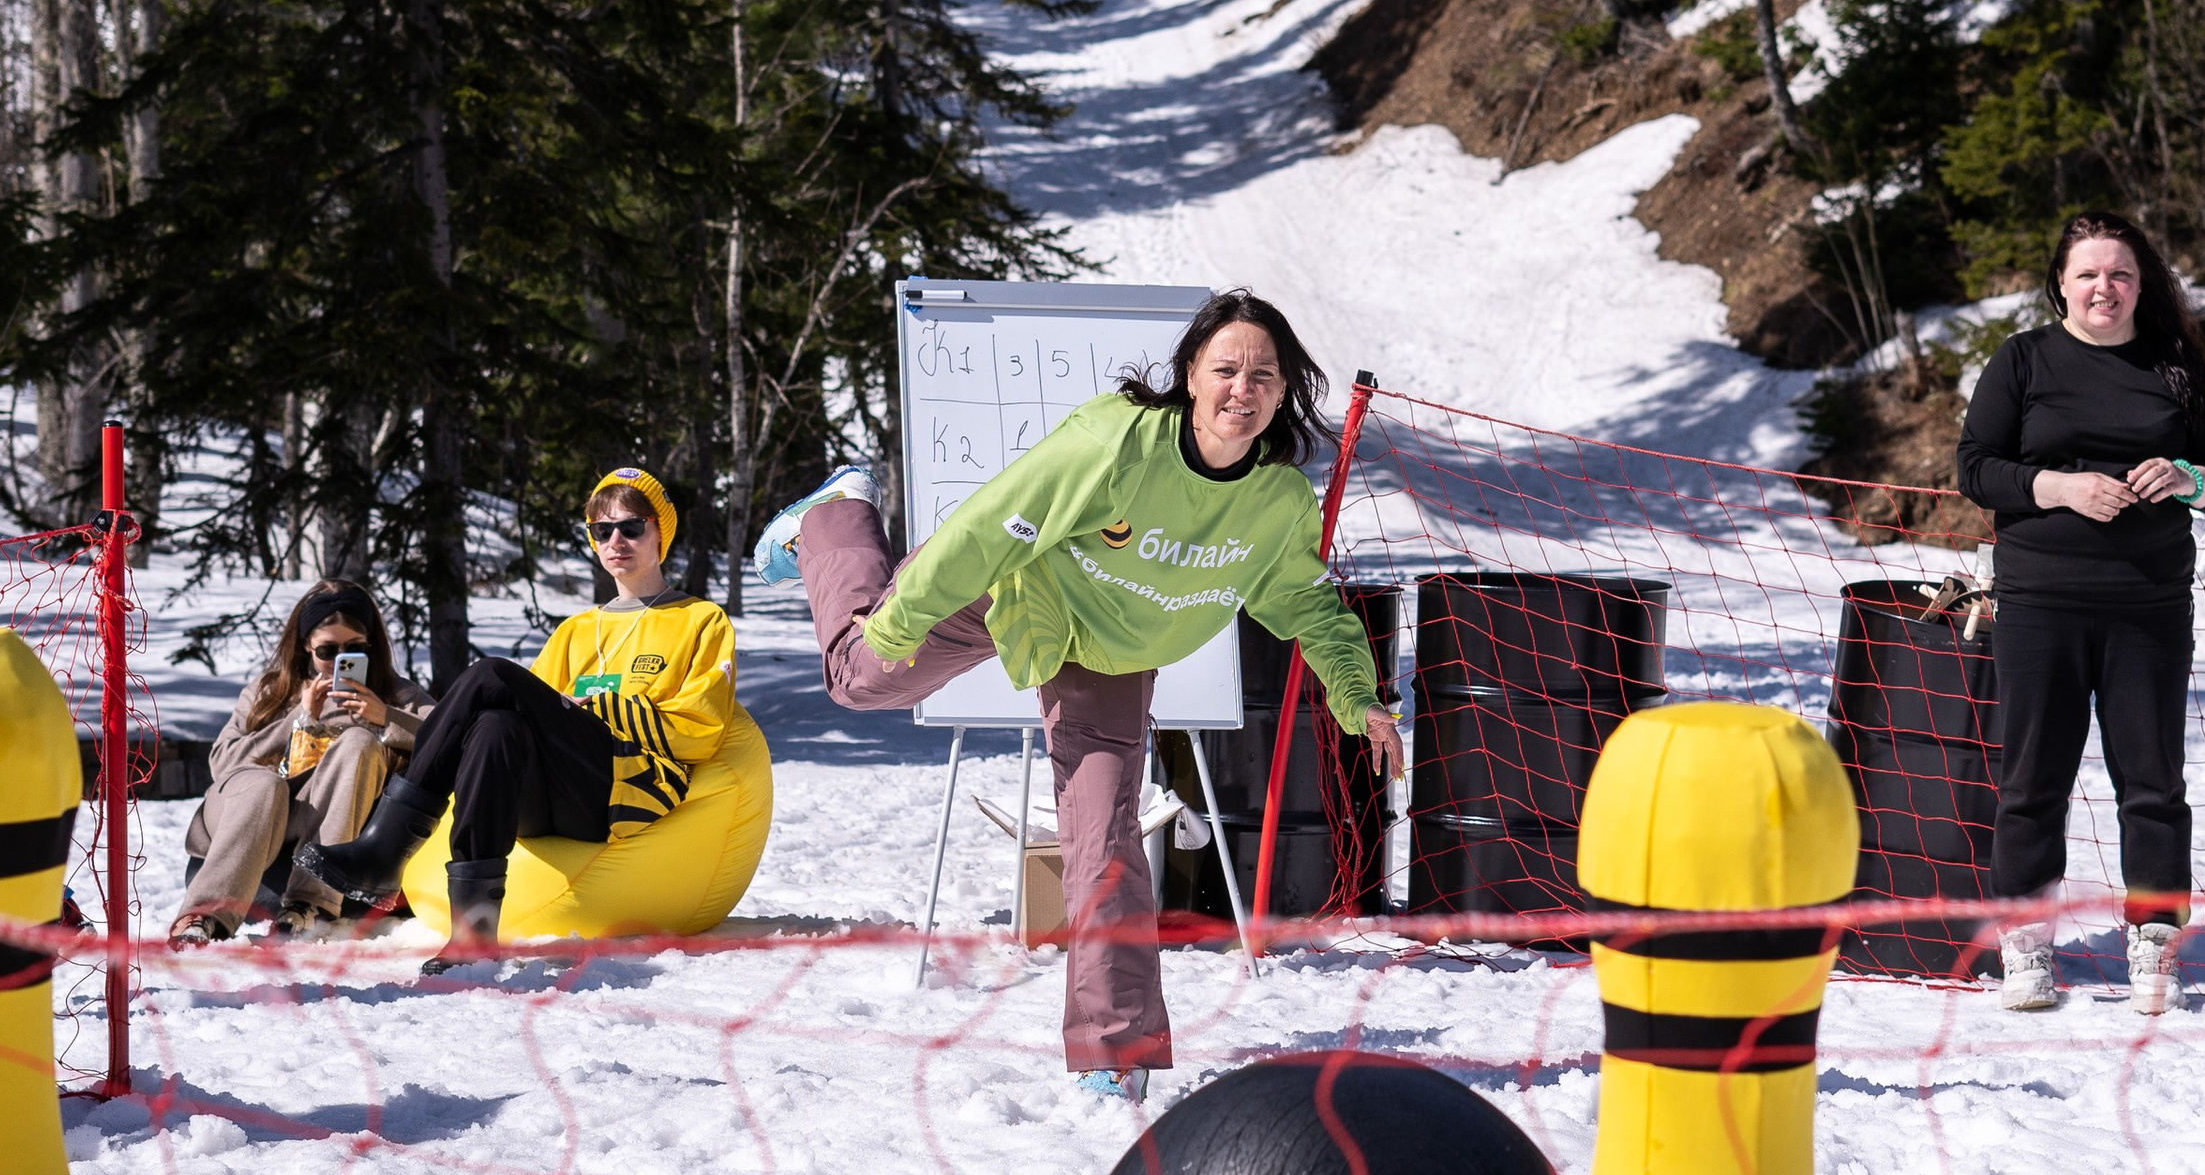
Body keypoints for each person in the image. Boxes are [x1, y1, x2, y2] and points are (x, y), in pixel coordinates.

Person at [753, 291, 1403, 1098]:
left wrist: (1359, 699)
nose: (1243, 389)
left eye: (1262, 375)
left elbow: (1307, 605)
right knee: (858, 678)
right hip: (1018, 589)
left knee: (1103, 841)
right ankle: (836, 516)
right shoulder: (1115, 445)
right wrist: (897, 624)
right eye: (1225, 369)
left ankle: (1114, 1053)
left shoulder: (1275, 504)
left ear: (1283, 391)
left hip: (1110, 660)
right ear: (1190, 376)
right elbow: (987, 528)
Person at [1956, 213, 2205, 1015]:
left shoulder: (2176, 368)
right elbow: (1976, 468)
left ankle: (2154, 943)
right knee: (2032, 782)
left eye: (2119, 273)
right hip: (2040, 602)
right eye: (2087, 273)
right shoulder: (2023, 360)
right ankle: (2026, 943)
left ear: (2140, 283)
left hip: (2148, 606)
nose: (2103, 288)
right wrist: (2060, 487)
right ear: (2061, 282)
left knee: (2153, 785)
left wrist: (2188, 478)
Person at [297, 469, 739, 965]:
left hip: (629, 790)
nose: (616, 541)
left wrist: (595, 709)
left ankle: (387, 846)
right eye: (601, 530)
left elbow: (700, 728)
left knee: (491, 674)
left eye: (631, 527)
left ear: (661, 533)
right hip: (554, 796)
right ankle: (473, 936)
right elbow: (529, 715)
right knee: (495, 728)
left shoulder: (701, 620)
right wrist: (559, 712)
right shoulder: (576, 630)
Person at [173, 583, 430, 943]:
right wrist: (298, 718)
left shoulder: (395, 694)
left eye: (355, 649)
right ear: (306, 645)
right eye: (327, 650)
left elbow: (450, 741)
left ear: (371, 645)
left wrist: (387, 717)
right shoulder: (270, 690)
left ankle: (309, 904)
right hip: (251, 812)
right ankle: (203, 917)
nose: (340, 660)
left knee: (357, 741)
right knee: (265, 785)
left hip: (326, 825)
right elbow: (222, 763)